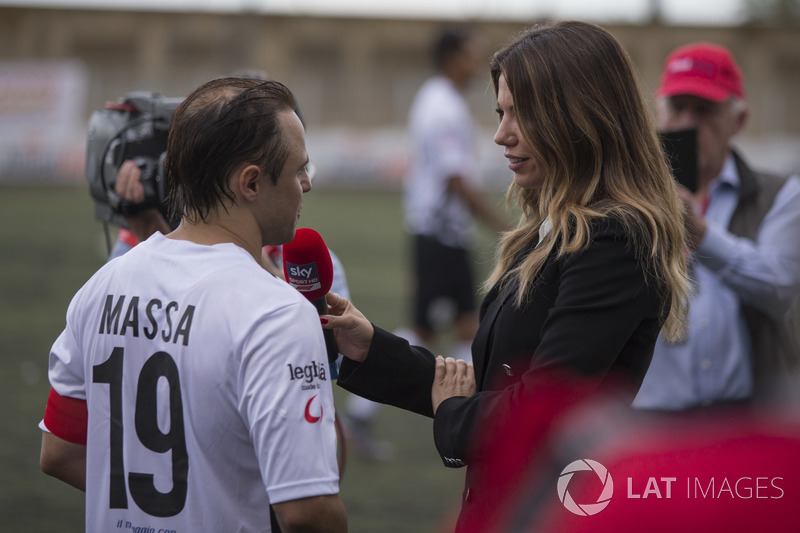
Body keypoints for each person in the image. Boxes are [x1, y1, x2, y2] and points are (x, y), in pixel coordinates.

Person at [321, 21, 690, 530]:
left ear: (580, 116)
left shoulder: (615, 240)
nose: (501, 134)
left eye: (522, 114)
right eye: (501, 112)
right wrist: (371, 349)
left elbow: (535, 415)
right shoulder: (546, 230)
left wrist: (453, 417)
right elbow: (491, 386)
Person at [39, 78, 347, 532]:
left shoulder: (101, 285)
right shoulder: (277, 313)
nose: (306, 184)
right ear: (251, 182)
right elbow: (308, 512)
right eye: (299, 169)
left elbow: (59, 451)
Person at [633, 42, 800, 412]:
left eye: (705, 110)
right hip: (650, 415)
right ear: (659, 116)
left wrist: (702, 234)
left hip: (751, 412)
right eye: (678, 108)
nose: (689, 124)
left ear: (737, 120)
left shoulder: (780, 194)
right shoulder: (630, 199)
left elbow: (780, 288)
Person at [401, 27, 509, 360]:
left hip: (445, 233)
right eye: (471, 56)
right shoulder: (443, 107)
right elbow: (456, 179)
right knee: (426, 329)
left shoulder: (438, 99)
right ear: (451, 58)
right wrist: (505, 228)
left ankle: (466, 402)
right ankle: (365, 403)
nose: (477, 65)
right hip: (440, 234)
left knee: (464, 323)